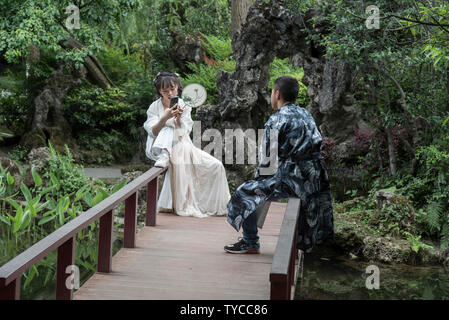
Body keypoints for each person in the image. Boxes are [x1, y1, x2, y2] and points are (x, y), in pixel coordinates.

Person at [224, 76, 334, 254]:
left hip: (290, 180)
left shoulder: (276, 120)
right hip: (314, 177)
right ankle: (304, 245)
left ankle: (250, 241)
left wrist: (259, 181)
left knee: (246, 191)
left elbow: (267, 162)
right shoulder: (306, 114)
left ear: (277, 94)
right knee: (259, 188)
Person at [143, 70, 231, 217]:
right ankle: (164, 154)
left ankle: (216, 204)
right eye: (165, 91)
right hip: (158, 145)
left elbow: (184, 131)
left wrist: (177, 118)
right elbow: (152, 131)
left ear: (177, 87)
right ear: (160, 91)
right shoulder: (154, 107)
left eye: (172, 89)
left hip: (182, 143)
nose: (170, 93)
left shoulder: (184, 105)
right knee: (167, 128)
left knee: (216, 166)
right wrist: (164, 118)